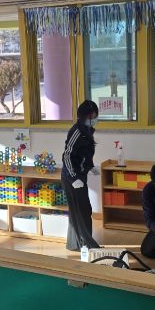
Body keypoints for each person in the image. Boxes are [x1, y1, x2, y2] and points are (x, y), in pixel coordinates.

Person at [62, 100, 101, 251]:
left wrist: (90, 166)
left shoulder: (87, 130)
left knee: (82, 210)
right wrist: (73, 177)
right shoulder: (76, 132)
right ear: (84, 116)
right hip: (72, 177)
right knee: (81, 210)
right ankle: (87, 245)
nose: (95, 118)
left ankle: (77, 244)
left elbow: (85, 153)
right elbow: (67, 156)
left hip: (80, 175)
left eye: (96, 116)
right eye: (92, 116)